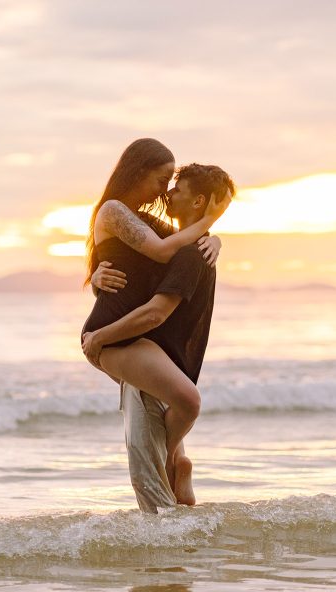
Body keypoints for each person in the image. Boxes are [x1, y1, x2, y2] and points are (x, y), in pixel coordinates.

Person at [80, 139, 230, 506]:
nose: (164, 191)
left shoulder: (146, 222)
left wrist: (217, 240)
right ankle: (171, 465)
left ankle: (176, 480)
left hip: (139, 336)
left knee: (160, 412)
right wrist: (211, 221)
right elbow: (166, 250)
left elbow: (179, 246)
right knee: (177, 407)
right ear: (139, 170)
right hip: (113, 337)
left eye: (171, 184)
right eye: (162, 179)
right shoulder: (113, 210)